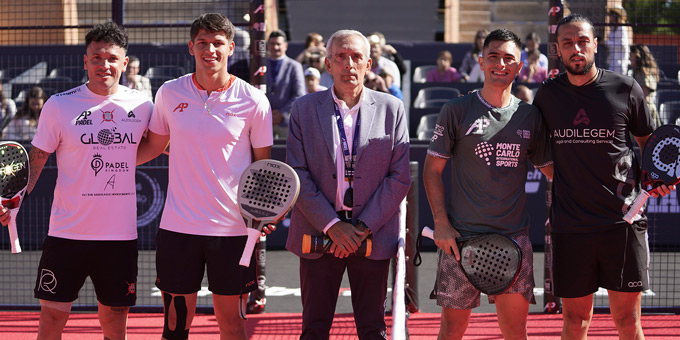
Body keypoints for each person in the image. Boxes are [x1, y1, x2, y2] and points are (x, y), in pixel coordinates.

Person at [0, 21, 153, 340]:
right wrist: (15, 202)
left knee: (113, 323)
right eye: (96, 57)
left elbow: (158, 144)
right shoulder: (58, 105)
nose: (104, 64)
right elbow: (37, 159)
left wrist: (123, 159)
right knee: (51, 321)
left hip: (118, 237)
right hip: (66, 233)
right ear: (85, 61)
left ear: (125, 63)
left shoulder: (143, 106)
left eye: (112, 58)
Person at [532, 14, 675, 340]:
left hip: (623, 225)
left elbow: (648, 145)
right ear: (557, 49)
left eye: (583, 41)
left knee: (628, 322)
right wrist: (565, 178)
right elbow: (537, 152)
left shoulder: (626, 89)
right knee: (576, 321)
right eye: (568, 43)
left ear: (596, 45)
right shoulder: (547, 97)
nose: (576, 48)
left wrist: (656, 178)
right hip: (570, 227)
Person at [135, 13, 273, 340]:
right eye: (202, 43)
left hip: (232, 231)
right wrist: (108, 160)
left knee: (231, 325)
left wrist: (264, 213)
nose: (209, 50)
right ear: (191, 47)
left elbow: (263, 168)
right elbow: (154, 145)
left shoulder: (254, 100)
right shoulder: (169, 93)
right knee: (174, 327)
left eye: (217, 44)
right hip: (178, 229)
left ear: (230, 48)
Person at [423, 28, 553, 340]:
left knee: (514, 332)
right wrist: (441, 223)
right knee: (452, 331)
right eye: (493, 56)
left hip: (514, 241)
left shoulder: (530, 116)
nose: (500, 63)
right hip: (460, 241)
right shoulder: (456, 110)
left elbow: (554, 172)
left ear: (519, 67)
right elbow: (431, 170)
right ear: (481, 62)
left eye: (509, 58)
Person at [285, 29, 411, 339]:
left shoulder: (391, 108)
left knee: (373, 329)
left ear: (369, 64)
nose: (349, 64)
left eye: (356, 57)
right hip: (318, 232)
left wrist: (362, 228)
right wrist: (332, 226)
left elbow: (399, 177)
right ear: (328, 65)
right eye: (340, 57)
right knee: (313, 329)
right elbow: (297, 173)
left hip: (371, 235)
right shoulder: (304, 109)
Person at [266, 29, 305, 139]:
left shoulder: (294, 66)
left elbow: (299, 94)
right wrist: (268, 113)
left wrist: (281, 113)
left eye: (278, 44)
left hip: (286, 122)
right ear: (268, 46)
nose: (275, 47)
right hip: (264, 120)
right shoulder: (261, 65)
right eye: (272, 44)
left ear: (285, 46)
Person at [630, 44, 661, 126]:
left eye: (631, 55)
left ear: (637, 56)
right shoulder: (643, 71)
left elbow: (644, 97)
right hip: (643, 109)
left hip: (645, 110)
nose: (629, 58)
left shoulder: (643, 73)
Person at [606, 5, 631, 75]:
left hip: (620, 64)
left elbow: (623, 45)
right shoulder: (612, 29)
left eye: (611, 15)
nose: (610, 17)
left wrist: (607, 43)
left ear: (616, 16)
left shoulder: (621, 28)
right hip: (612, 63)